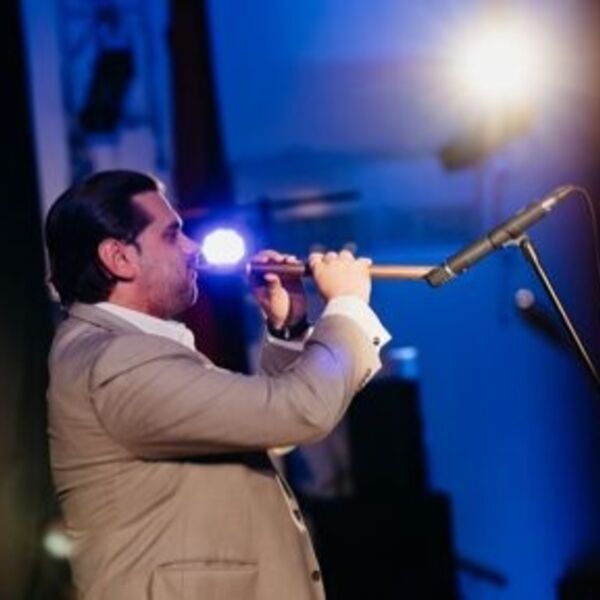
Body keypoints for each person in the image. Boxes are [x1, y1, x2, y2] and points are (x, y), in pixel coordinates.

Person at [44, 169, 390, 600]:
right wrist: (347, 305)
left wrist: (288, 327)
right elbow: (301, 412)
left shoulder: (122, 350)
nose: (191, 248)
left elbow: (263, 427)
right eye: (172, 235)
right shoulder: (117, 360)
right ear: (119, 258)